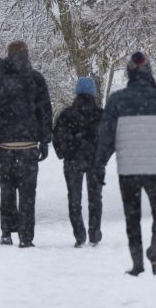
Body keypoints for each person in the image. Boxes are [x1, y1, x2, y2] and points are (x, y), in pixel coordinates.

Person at [96, 52, 156, 276]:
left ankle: (137, 264)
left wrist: (99, 164)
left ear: (129, 73)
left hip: (128, 169)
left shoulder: (117, 100)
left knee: (132, 217)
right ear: (149, 72)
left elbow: (106, 136)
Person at [0, 40, 52, 248]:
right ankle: (26, 235)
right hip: (29, 145)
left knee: (7, 190)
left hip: (5, 145)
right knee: (28, 193)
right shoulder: (36, 79)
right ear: (27, 55)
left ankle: (6, 232)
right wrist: (45, 140)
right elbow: (45, 112)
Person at [52, 76, 104, 248]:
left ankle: (79, 235)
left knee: (74, 198)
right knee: (95, 198)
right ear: (93, 93)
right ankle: (94, 233)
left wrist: (64, 153)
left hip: (72, 160)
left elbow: (57, 136)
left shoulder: (66, 115)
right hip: (95, 160)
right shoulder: (100, 114)